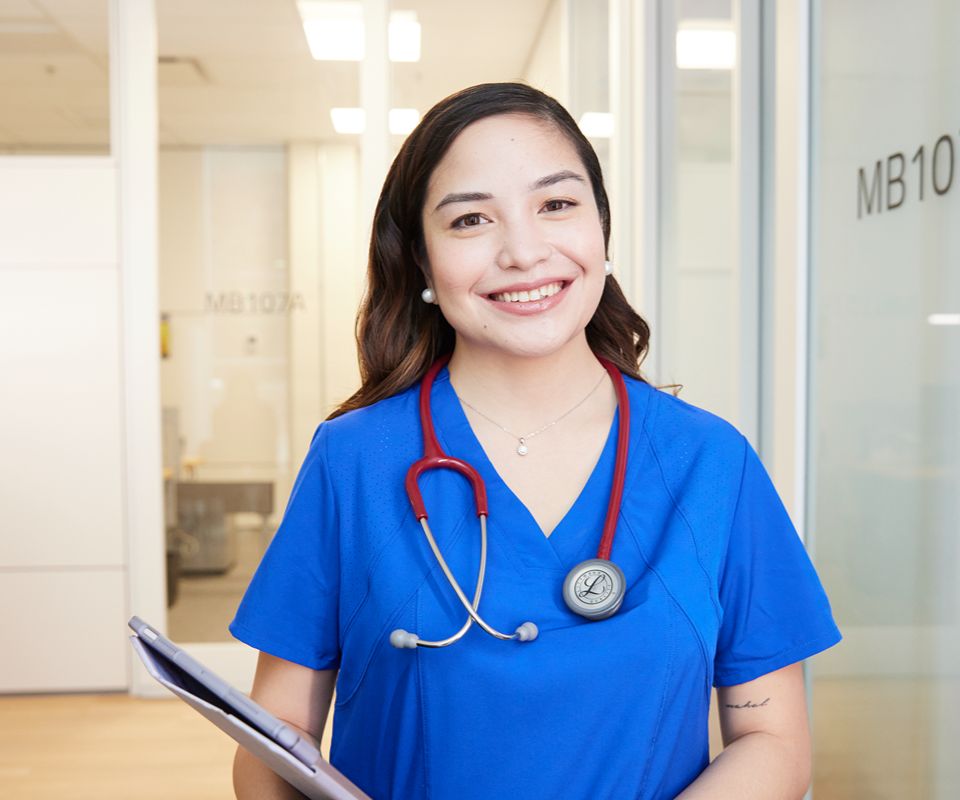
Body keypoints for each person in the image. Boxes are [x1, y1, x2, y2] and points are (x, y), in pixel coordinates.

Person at [230, 82, 842, 800]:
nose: (523, 251)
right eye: (470, 220)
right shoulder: (351, 463)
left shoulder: (711, 463)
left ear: (602, 230)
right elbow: (272, 737)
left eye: (556, 204)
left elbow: (773, 741)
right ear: (423, 263)